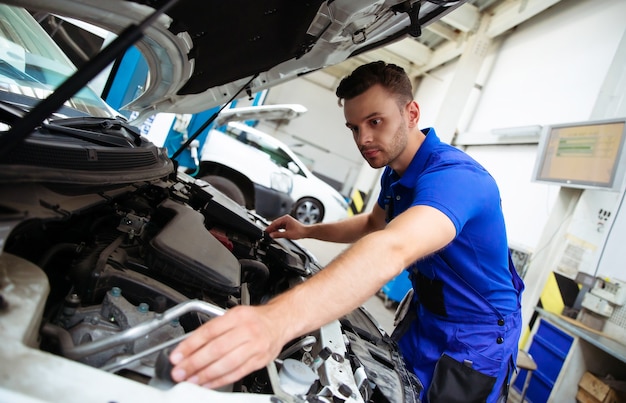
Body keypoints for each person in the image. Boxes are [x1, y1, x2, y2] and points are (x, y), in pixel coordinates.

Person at [169, 60, 524, 402]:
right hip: (426, 316)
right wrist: (307, 231)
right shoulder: (396, 174)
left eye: (375, 121)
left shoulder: (456, 178)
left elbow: (393, 246)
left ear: (411, 114)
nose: (364, 138)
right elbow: (373, 224)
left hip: (475, 338)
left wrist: (276, 321)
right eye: (354, 127)